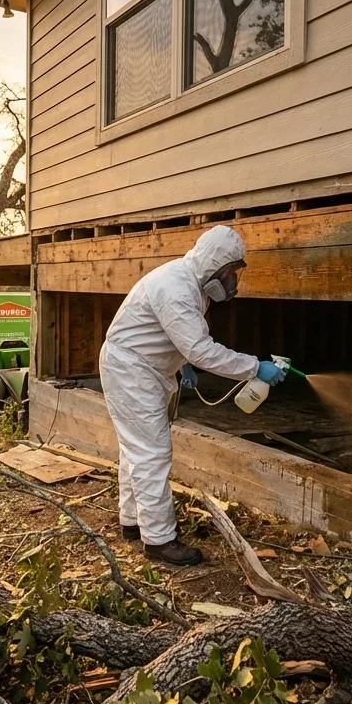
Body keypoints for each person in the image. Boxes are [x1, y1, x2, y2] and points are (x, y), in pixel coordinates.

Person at [98, 225, 286, 565]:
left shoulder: (191, 283)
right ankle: (159, 540)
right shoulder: (176, 288)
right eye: (229, 272)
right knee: (152, 452)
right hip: (132, 370)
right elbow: (201, 348)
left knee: (135, 450)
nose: (231, 280)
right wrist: (254, 368)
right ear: (215, 264)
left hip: (141, 367)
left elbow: (173, 335)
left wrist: (181, 363)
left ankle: (133, 523)